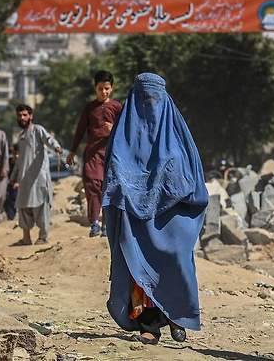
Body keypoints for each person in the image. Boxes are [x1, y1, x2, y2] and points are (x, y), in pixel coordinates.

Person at [102, 73, 208, 345]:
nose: (150, 105)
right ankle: (149, 325)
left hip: (172, 216)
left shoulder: (176, 131)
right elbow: (114, 168)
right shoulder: (122, 133)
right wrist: (128, 186)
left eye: (155, 98)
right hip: (135, 218)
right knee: (139, 268)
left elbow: (192, 175)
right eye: (144, 99)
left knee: (177, 262)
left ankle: (177, 318)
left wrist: (167, 181)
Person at [67, 70, 122, 237]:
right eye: (100, 88)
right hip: (92, 154)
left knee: (108, 187)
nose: (103, 92)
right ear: (95, 88)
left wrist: (114, 129)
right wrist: (72, 151)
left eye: (106, 88)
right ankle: (95, 223)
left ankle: (107, 225)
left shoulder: (117, 107)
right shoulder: (90, 108)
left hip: (111, 154)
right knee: (92, 186)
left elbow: (127, 131)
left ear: (111, 88)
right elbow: (80, 130)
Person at [10, 104, 62, 246]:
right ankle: (26, 238)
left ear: (31, 116)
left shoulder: (38, 130)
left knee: (41, 207)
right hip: (24, 180)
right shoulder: (20, 136)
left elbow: (49, 139)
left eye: (25, 115)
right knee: (23, 207)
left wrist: (56, 147)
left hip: (39, 178)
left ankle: (43, 237)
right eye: (20, 115)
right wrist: (13, 177)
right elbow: (20, 161)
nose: (22, 118)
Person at [3, 144, 19, 221]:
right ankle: (10, 218)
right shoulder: (10, 162)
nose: (16, 155)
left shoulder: (24, 163)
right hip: (11, 185)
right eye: (14, 153)